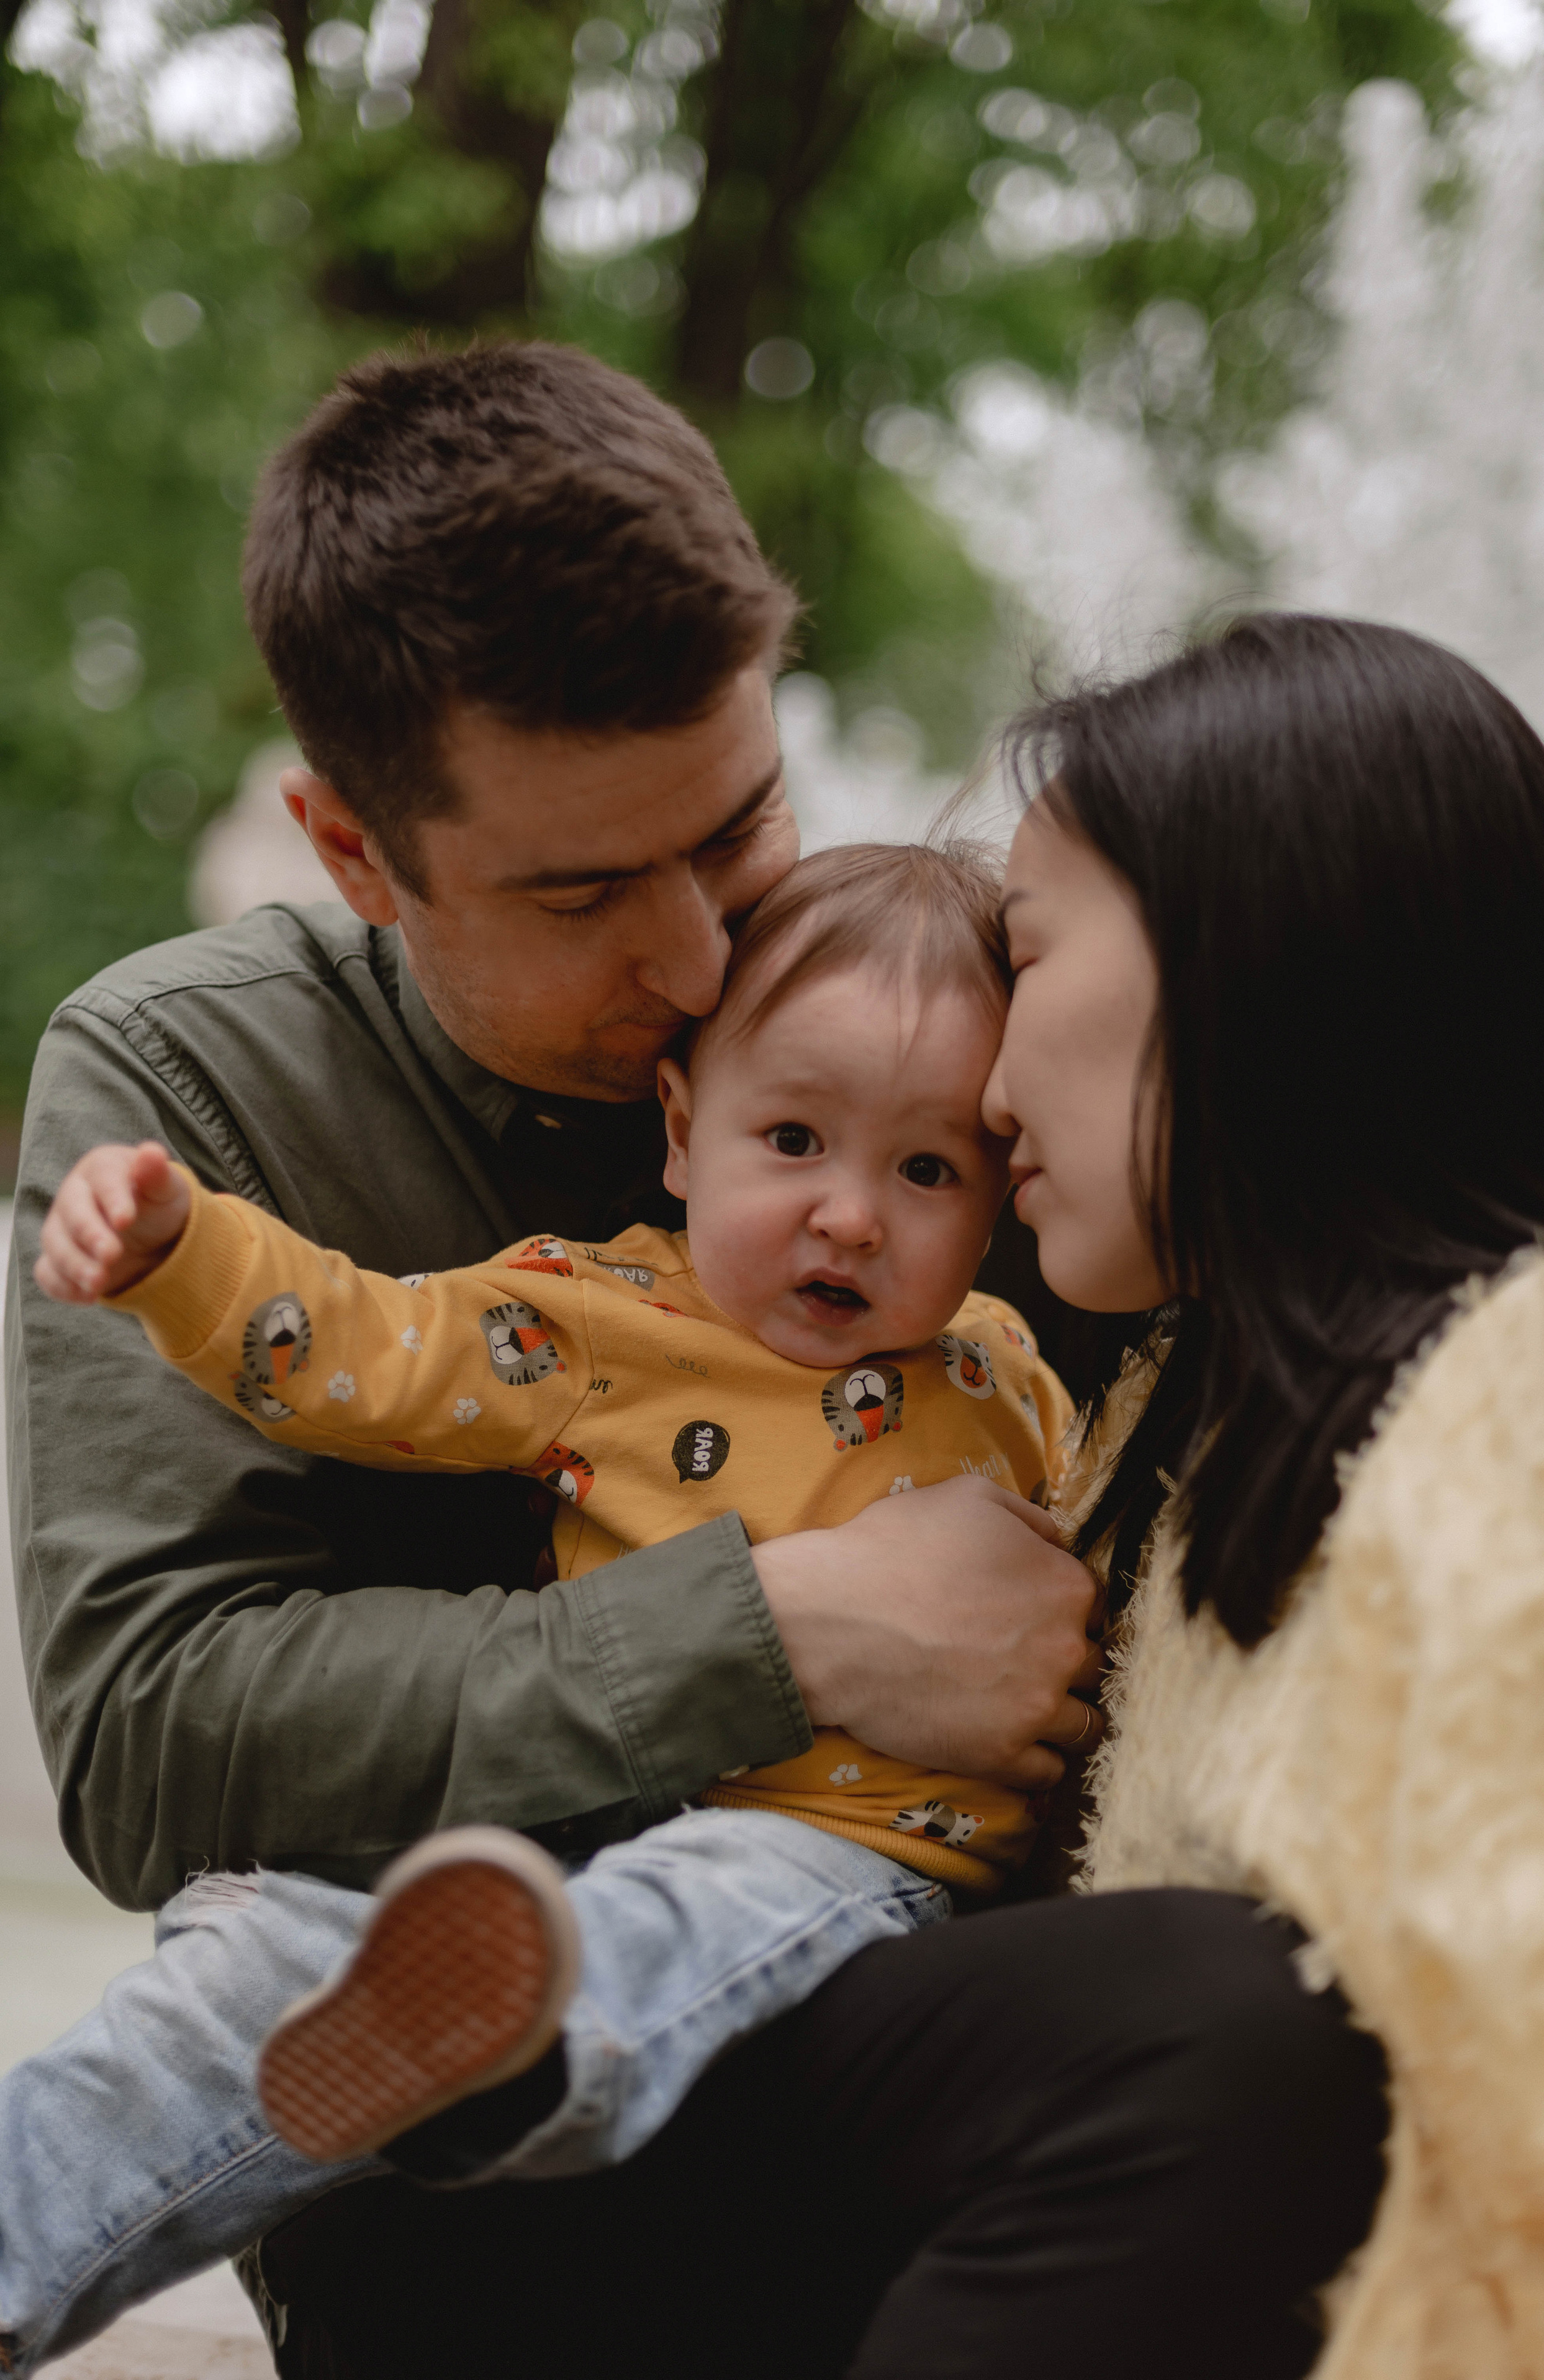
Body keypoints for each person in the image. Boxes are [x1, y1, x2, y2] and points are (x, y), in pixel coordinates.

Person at [99, 610, 1544, 2380]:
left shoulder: (1354, 1380)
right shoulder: (1126, 1369)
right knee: (1204, 2016)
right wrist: (774, 1626)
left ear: (1250, 960)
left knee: (1222, 2021)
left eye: (1020, 965)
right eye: (586, 889)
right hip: (575, 2141)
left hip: (907, 2121)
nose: (978, 1065)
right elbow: (340, 1389)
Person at [4, 341, 1101, 2369]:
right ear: (355, 853)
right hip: (430, 2163)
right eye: (586, 890)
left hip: (888, 1999)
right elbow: (155, 1739)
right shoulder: (181, 1083)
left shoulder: (923, 1010)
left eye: (740, 825)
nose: (696, 962)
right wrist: (782, 1625)